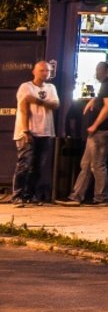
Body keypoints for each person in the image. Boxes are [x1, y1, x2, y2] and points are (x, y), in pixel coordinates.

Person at [64, 61, 108, 206]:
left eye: (98, 69)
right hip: (98, 131)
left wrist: (95, 125)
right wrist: (94, 100)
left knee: (97, 165)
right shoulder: (106, 86)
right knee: (86, 164)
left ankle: (101, 198)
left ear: (105, 70)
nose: (96, 72)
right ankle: (76, 196)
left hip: (102, 131)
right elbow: (105, 101)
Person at [10, 60, 59, 204]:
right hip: (28, 131)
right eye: (42, 70)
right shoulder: (26, 87)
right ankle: (17, 195)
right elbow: (24, 109)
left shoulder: (51, 87)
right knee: (24, 164)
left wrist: (37, 101)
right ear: (34, 71)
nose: (45, 73)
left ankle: (29, 195)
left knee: (37, 167)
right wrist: (25, 130)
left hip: (45, 131)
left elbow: (56, 104)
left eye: (48, 71)